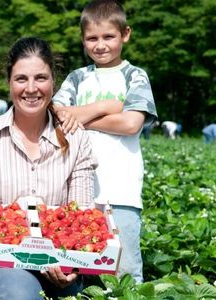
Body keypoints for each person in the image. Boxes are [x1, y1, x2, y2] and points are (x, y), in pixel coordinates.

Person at [0, 37, 97, 299]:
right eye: (21, 79)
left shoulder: (77, 140)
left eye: (40, 78)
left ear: (53, 81)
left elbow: (83, 216)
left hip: (59, 262)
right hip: (2, 263)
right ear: (9, 82)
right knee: (19, 293)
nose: (31, 89)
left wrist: (74, 266)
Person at [52, 0, 158, 284]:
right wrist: (109, 105)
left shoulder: (135, 76)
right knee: (79, 265)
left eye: (108, 36)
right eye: (92, 38)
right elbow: (56, 113)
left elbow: (131, 123)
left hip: (120, 190)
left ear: (125, 34)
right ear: (83, 40)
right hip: (76, 187)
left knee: (123, 269)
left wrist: (82, 116)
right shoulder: (77, 78)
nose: (100, 45)